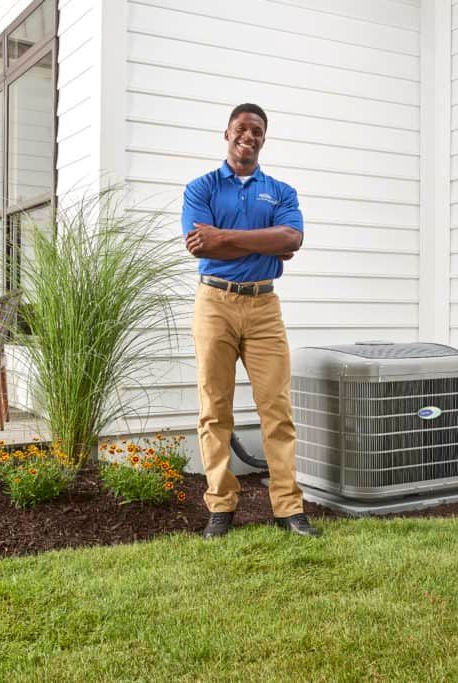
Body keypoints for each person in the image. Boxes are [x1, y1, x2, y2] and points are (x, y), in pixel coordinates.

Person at [182, 103, 320, 539]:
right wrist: (262, 244)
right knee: (214, 408)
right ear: (226, 133)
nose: (249, 136)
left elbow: (292, 237)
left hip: (264, 307)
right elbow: (201, 248)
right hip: (214, 304)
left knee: (277, 410)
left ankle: (288, 508)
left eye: (257, 130)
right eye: (242, 128)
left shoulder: (280, 191)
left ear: (264, 137)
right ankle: (221, 507)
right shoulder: (200, 188)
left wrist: (223, 236)